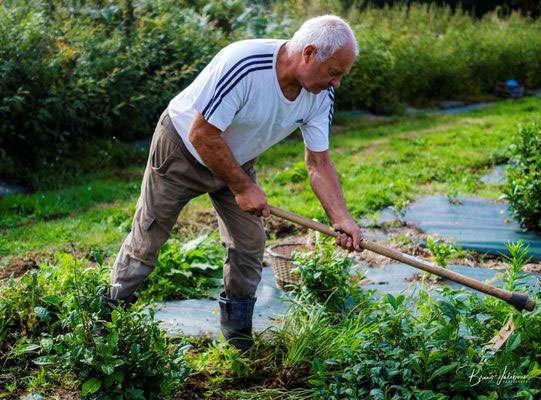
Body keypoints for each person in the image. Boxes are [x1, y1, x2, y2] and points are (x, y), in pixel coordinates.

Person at [102, 14, 363, 351]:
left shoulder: (320, 96)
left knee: (249, 244)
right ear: (309, 53)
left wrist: (341, 217)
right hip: (182, 147)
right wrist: (242, 187)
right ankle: (105, 321)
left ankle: (238, 339)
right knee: (149, 235)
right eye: (334, 72)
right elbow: (202, 133)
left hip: (235, 159)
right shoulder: (245, 65)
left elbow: (319, 163)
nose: (337, 83)